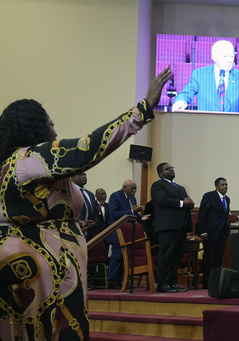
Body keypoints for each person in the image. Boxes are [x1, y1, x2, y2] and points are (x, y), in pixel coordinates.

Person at [0, 66, 171, 340]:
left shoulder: (9, 164)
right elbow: (89, 147)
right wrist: (143, 109)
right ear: (35, 126)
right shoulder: (34, 157)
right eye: (51, 124)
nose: (55, 133)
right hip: (48, 267)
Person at [172, 40, 239, 114]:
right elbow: (187, 93)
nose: (229, 60)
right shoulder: (199, 75)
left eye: (231, 56)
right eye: (225, 56)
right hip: (205, 124)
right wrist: (180, 102)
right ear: (214, 57)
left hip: (233, 126)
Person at [151, 163, 194, 293]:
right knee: (166, 255)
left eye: (172, 168)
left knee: (177, 257)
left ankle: (173, 283)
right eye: (168, 169)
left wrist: (190, 204)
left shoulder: (180, 187)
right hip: (167, 226)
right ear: (161, 173)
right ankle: (163, 284)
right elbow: (162, 200)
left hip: (180, 226)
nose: (171, 170)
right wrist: (182, 203)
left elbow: (186, 202)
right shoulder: (158, 185)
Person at [106, 179, 148, 289]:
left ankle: (122, 280)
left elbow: (133, 214)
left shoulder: (132, 198)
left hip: (129, 233)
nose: (134, 190)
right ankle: (112, 280)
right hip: (117, 232)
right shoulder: (115, 196)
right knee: (117, 256)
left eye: (135, 188)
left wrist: (140, 217)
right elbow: (114, 214)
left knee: (127, 257)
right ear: (124, 188)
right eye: (132, 188)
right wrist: (133, 211)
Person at [197, 177, 230, 289]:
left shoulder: (227, 199)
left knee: (218, 258)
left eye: (226, 184)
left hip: (222, 233)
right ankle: (207, 283)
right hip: (209, 233)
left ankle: (215, 282)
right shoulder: (209, 196)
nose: (225, 187)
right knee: (209, 258)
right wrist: (203, 231)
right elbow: (202, 214)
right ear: (216, 186)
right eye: (222, 184)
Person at [72, 172, 100, 240]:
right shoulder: (70, 192)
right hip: (75, 230)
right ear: (72, 177)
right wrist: (82, 221)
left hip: (90, 231)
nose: (84, 176)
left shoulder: (90, 194)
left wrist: (93, 222)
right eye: (81, 174)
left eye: (85, 175)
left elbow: (95, 211)